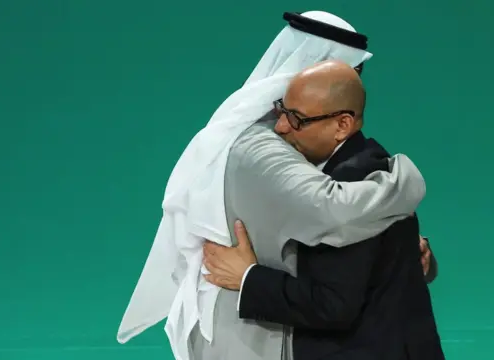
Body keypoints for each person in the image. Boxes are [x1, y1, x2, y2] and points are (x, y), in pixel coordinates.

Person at [116, 11, 426, 360]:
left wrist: (397, 248)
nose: (355, 84)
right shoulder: (262, 146)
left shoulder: (280, 136)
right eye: (351, 72)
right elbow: (333, 210)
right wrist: (405, 182)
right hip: (248, 333)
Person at [204, 60, 445, 360]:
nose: (281, 127)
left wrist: (248, 278)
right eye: (282, 111)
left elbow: (333, 306)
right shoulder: (368, 160)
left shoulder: (349, 179)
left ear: (342, 125)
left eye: (297, 119)